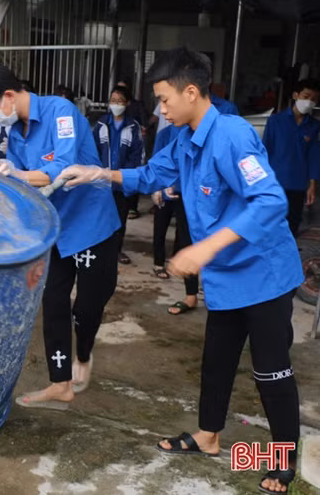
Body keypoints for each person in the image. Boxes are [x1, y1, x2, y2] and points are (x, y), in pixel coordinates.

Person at [58, 48, 303, 495]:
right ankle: (208, 437)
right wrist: (97, 172)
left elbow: (271, 201)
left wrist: (204, 248)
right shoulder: (182, 136)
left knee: (270, 371)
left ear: (192, 92)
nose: (160, 109)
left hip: (264, 276)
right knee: (216, 362)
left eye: (165, 99)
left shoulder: (232, 136)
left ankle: (284, 459)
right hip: (227, 277)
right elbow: (151, 175)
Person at [0, 63, 121, 410]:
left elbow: (61, 170)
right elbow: (22, 186)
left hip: (91, 225)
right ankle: (60, 383)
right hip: (55, 229)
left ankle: (84, 352)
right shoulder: (13, 133)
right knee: (52, 304)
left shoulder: (59, 112)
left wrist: (17, 173)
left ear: (8, 96)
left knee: (87, 307)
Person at [150, 125, 199, 315]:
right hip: (167, 189)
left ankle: (191, 294)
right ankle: (159, 262)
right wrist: (158, 186)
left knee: (188, 239)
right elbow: (156, 164)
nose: (163, 110)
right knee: (160, 226)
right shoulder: (165, 134)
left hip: (191, 193)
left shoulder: (203, 134)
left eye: (167, 101)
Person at [262, 79, 320, 238]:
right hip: (274, 182)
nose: (309, 102)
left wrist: (312, 184)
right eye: (306, 96)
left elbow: (313, 156)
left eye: (314, 99)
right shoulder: (276, 121)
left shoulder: (314, 126)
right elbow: (264, 151)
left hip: (298, 185)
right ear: (296, 95)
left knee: (292, 226)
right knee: (270, 224)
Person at [94, 86, 144, 265]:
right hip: (101, 183)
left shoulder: (133, 126)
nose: (116, 104)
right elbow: (93, 152)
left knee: (119, 220)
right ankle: (100, 250)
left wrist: (125, 175)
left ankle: (116, 251)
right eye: (113, 101)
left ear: (127, 103)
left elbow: (137, 155)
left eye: (120, 101)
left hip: (121, 183)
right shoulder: (100, 124)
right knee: (100, 217)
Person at [116, 81, 147, 220]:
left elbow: (138, 154)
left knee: (132, 177)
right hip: (109, 170)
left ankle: (133, 207)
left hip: (128, 161)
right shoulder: (103, 123)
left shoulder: (134, 122)